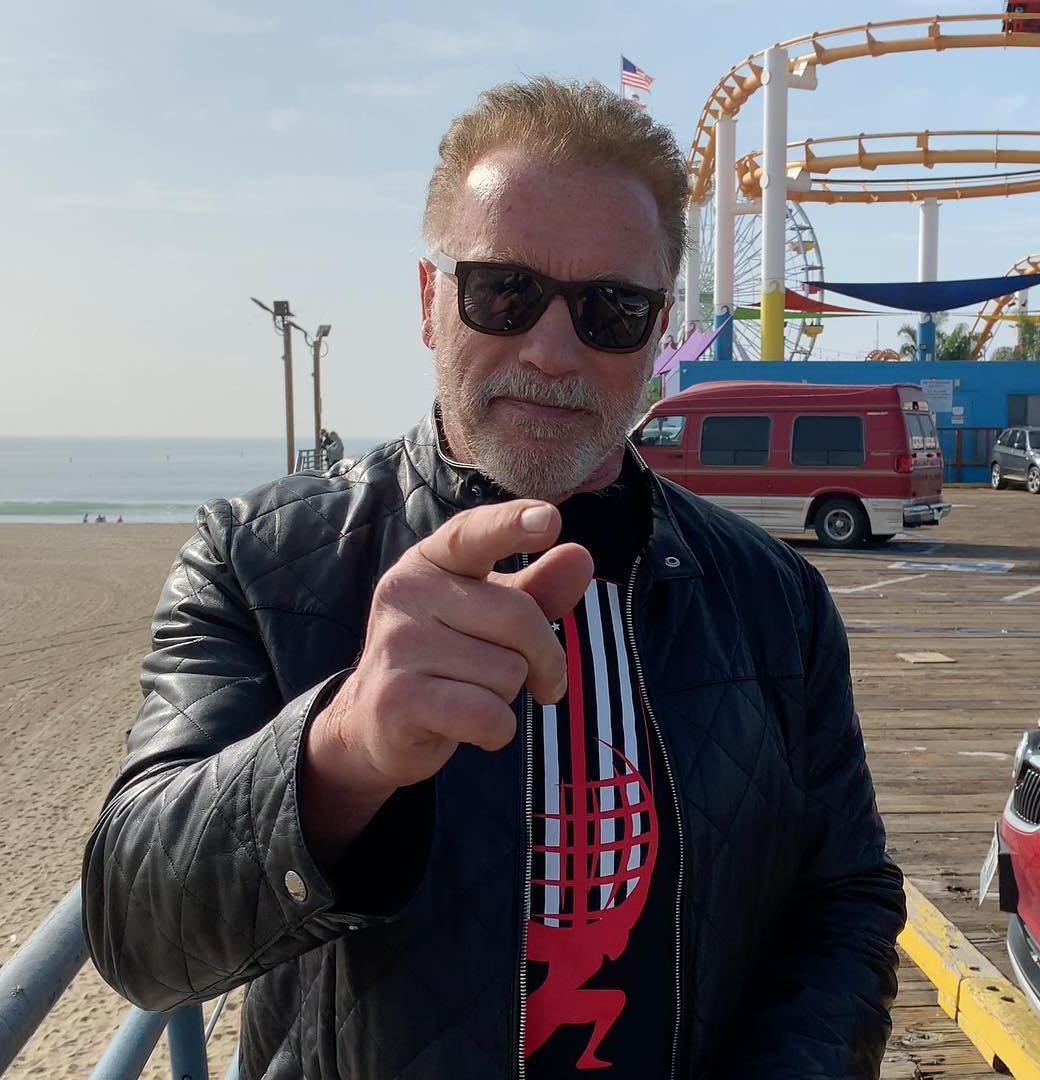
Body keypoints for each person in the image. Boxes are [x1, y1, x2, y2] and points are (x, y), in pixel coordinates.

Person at [83, 78, 905, 1079]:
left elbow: (844, 898)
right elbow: (139, 939)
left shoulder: (774, 599)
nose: (551, 349)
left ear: (657, 333)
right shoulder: (257, 562)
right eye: (503, 290)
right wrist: (340, 752)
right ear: (431, 302)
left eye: (611, 308)